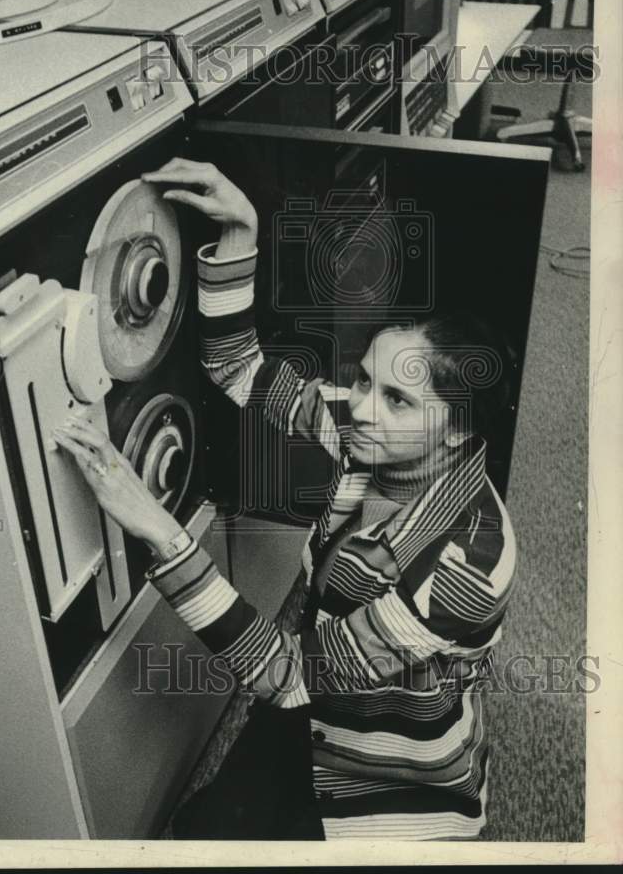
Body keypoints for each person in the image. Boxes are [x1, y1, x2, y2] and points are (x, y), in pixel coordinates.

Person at [53, 158, 517, 841]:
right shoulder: (374, 437)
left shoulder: (468, 568)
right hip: (325, 699)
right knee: (195, 832)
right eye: (363, 380)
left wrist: (158, 526)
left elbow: (288, 674)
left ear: (458, 433)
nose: (359, 407)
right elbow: (239, 369)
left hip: (389, 777)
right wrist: (242, 232)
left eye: (396, 399)